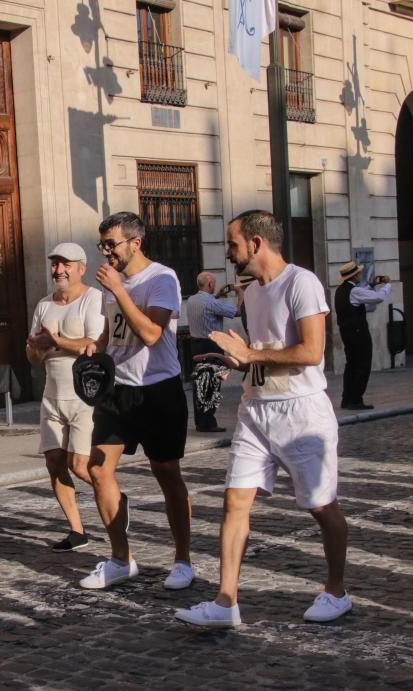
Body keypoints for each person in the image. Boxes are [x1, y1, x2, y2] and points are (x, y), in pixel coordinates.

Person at [176, 210, 350, 627]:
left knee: (322, 506)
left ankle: (337, 591)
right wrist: (237, 362)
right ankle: (225, 603)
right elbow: (264, 353)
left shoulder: (302, 283)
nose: (229, 253)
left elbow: (311, 353)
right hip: (255, 409)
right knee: (235, 500)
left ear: (255, 243)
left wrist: (253, 354)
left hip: (302, 411)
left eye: (233, 244)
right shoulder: (251, 293)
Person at [78, 211, 193, 591]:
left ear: (135, 242)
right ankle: (120, 559)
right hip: (119, 389)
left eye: (112, 244)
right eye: (103, 245)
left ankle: (182, 560)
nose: (106, 252)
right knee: (98, 470)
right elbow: (116, 328)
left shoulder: (162, 279)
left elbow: (150, 333)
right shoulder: (113, 285)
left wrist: (121, 291)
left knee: (166, 474)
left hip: (158, 387)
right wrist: (98, 346)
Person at [26, 242, 102, 552]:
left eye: (65, 264)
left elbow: (93, 344)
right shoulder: (44, 305)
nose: (58, 270)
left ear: (80, 268)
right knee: (54, 462)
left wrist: (55, 340)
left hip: (84, 396)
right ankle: (77, 531)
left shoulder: (93, 298)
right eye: (55, 264)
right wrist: (37, 347)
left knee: (80, 466)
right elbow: (32, 355)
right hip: (51, 395)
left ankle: (113, 498)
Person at [186, 271, 244, 433]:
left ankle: (201, 422)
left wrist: (217, 295)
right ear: (210, 284)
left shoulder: (192, 300)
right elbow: (237, 312)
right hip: (211, 346)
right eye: (214, 283)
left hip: (195, 345)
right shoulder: (211, 303)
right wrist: (240, 294)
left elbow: (208, 306)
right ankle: (209, 423)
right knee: (212, 385)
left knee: (199, 384)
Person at [334, 261, 391, 410]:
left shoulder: (341, 290)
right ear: (354, 276)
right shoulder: (354, 291)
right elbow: (378, 297)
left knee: (351, 365)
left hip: (347, 333)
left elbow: (361, 294)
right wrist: (388, 285)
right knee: (362, 365)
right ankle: (355, 399)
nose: (360, 274)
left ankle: (347, 398)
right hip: (358, 333)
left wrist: (371, 285)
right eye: (358, 273)